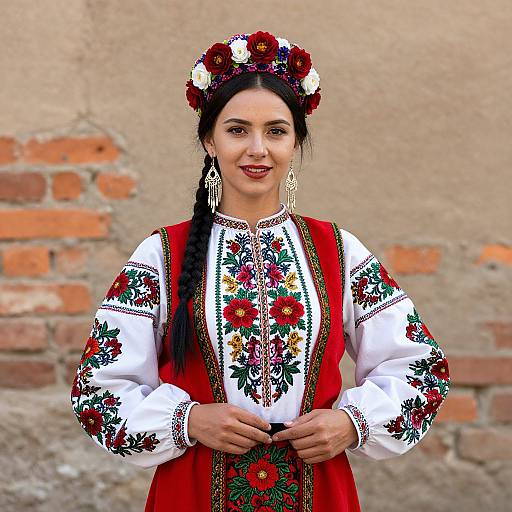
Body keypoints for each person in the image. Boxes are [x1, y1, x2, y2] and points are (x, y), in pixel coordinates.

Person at [70, 30, 451, 512]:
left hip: (317, 491)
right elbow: (97, 390)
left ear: (295, 142)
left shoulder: (338, 250)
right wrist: (187, 421)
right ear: (209, 140)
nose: (257, 149)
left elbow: (421, 367)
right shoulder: (161, 255)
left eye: (276, 130)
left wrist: (351, 422)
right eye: (237, 130)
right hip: (194, 491)